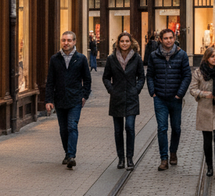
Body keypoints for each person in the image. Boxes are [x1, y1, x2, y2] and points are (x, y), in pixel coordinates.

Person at [45, 31, 92, 169]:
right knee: (63, 129)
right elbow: (50, 81)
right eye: (64, 40)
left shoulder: (81, 59)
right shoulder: (55, 59)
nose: (66, 43)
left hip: (75, 99)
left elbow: (87, 80)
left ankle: (71, 155)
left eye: (69, 40)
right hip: (59, 99)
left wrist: (84, 95)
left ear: (74, 42)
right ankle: (67, 152)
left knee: (72, 126)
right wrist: (48, 100)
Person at [146, 27, 191, 171]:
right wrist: (152, 92)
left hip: (176, 98)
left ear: (174, 38)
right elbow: (150, 75)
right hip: (160, 98)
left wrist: (180, 93)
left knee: (176, 128)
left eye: (170, 38)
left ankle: (173, 152)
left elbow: (187, 75)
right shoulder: (154, 55)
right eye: (165, 38)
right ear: (160, 40)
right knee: (162, 128)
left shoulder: (182, 54)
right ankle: (163, 158)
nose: (168, 40)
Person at [102, 31, 145, 170]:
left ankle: (130, 158)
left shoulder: (137, 58)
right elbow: (106, 77)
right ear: (118, 43)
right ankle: (120, 158)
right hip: (117, 98)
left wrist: (136, 89)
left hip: (132, 98)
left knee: (130, 127)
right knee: (118, 130)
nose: (125, 43)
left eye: (127, 41)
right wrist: (111, 90)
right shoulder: (111, 58)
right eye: (122, 41)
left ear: (130, 43)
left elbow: (141, 77)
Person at [189, 46, 215, 179]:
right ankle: (209, 166)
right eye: (212, 56)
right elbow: (192, 89)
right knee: (207, 140)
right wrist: (203, 94)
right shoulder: (199, 72)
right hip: (205, 109)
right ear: (207, 58)